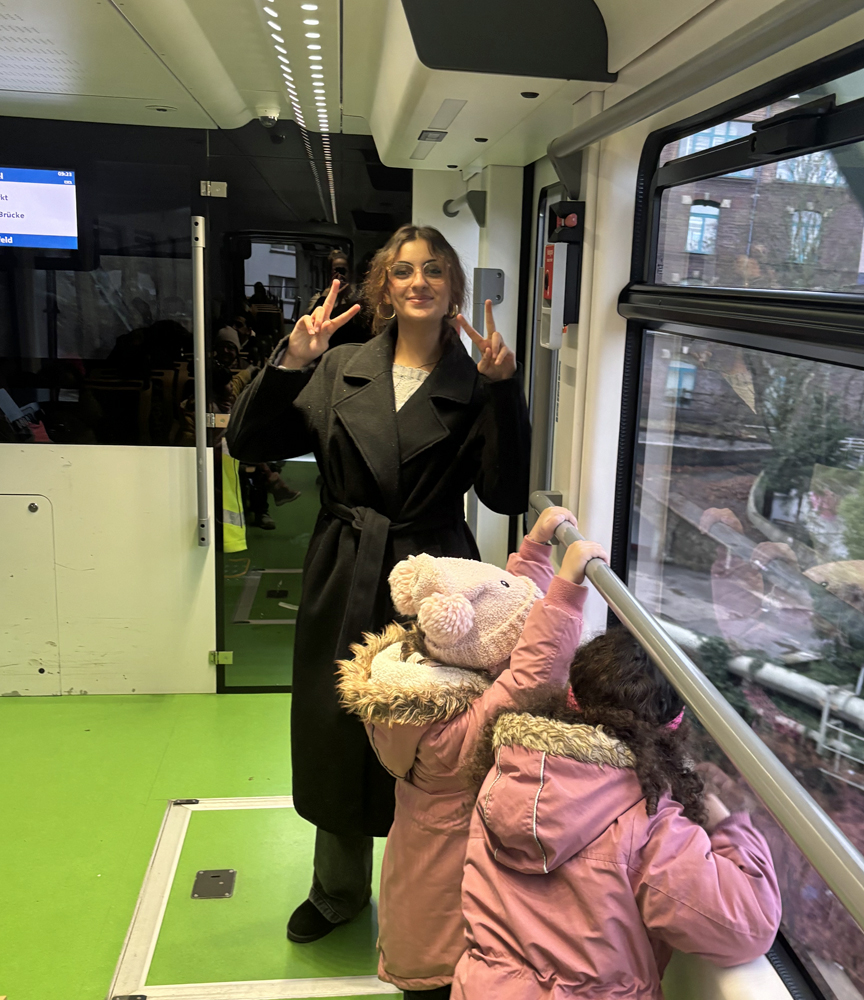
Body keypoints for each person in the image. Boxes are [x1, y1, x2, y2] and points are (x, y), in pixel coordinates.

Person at [225, 224, 531, 945]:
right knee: (338, 722)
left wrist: (504, 392)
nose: (419, 281)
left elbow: (506, 494)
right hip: (345, 561)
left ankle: (432, 898)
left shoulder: (475, 381)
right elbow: (248, 442)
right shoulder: (339, 367)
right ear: (385, 289)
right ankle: (336, 889)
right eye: (403, 271)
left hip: (435, 578)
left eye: (434, 270)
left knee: (432, 730)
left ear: (454, 289)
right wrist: (292, 361)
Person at [338, 508, 600, 999]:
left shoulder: (419, 679)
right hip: (446, 928)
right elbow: (529, 675)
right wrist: (565, 594)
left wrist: (535, 549)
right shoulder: (453, 736)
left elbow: (503, 608)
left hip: (418, 884)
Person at [453, 626, 782, 999]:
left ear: (572, 696)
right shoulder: (648, 824)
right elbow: (749, 928)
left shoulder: (504, 774)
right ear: (671, 729)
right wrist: (729, 826)